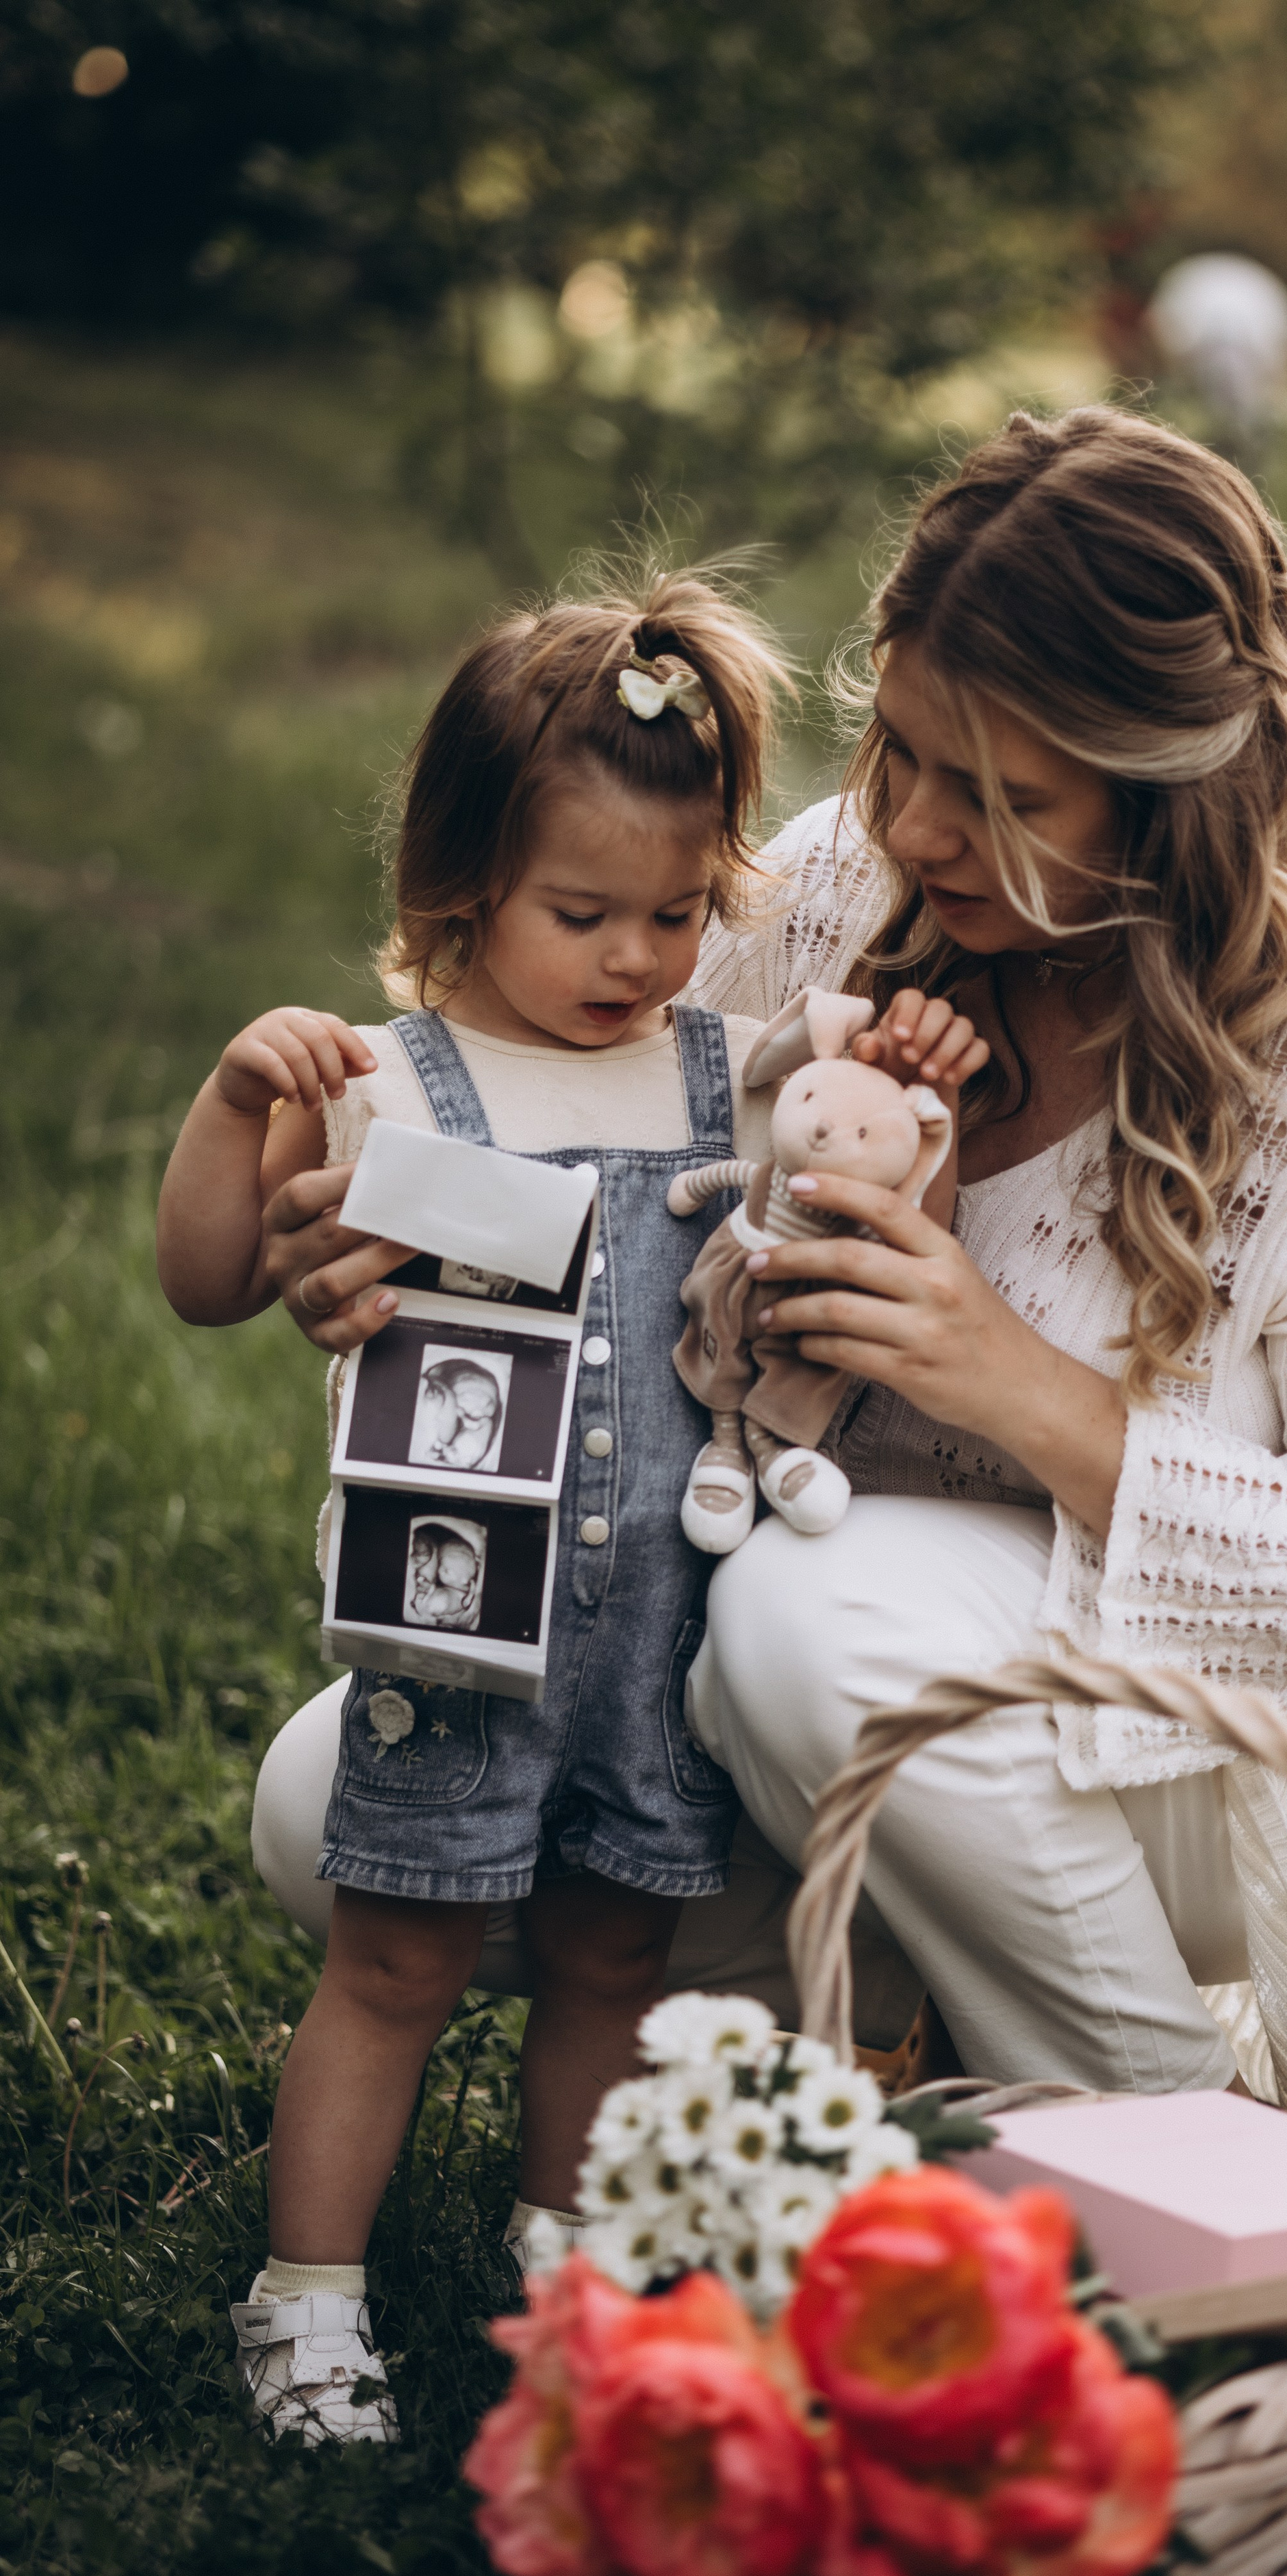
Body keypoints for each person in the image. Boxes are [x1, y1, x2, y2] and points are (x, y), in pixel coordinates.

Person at [255, 409, 1287, 2298]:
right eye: (899, 749)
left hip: (1252, 1764)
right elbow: (595, 1149)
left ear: (1164, 792)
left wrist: (1016, 1384)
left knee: (826, 1615)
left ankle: (1175, 2138)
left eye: (1006, 797)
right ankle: (906, 2027)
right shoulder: (834, 891)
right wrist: (387, 1243)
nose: (914, 828)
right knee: (340, 1809)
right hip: (824, 1679)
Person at [156, 571, 984, 2444]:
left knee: (612, 1950)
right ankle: (306, 2297)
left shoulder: (721, 1074)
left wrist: (902, 1075)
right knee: (396, 1958)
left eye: (682, 910)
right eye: (583, 912)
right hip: (452, 1622)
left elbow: (858, 1183)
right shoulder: (394, 1083)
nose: (639, 954)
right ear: (460, 887)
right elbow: (210, 1278)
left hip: (658, 1641)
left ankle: (572, 2261)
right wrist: (232, 1107)